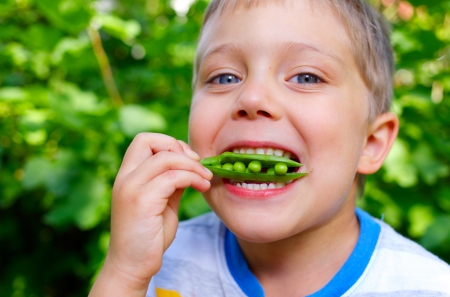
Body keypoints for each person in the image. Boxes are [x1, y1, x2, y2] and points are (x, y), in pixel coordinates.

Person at [89, 0, 450, 296]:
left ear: (370, 143)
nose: (252, 97)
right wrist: (124, 272)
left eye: (306, 77)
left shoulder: (426, 288)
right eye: (224, 77)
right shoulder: (155, 262)